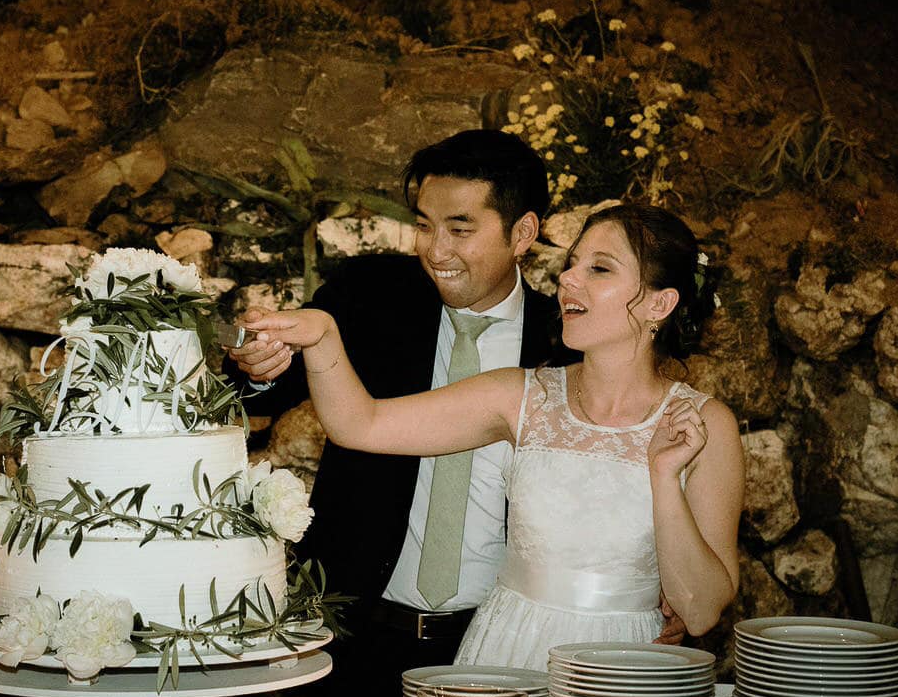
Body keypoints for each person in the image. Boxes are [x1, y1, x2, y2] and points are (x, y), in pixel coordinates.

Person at [246, 202, 743, 673]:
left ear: (661, 303)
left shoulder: (703, 425)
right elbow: (361, 424)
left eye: (600, 269)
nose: (568, 278)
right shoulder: (519, 394)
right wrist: (322, 336)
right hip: (507, 652)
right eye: (572, 264)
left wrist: (663, 475)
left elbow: (699, 613)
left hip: (628, 666)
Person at [230, 129, 564, 697]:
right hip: (360, 636)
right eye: (425, 225)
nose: (436, 250)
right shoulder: (367, 299)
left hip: (499, 647)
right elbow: (259, 391)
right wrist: (259, 366)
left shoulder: (562, 341)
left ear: (522, 233)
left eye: (460, 228)